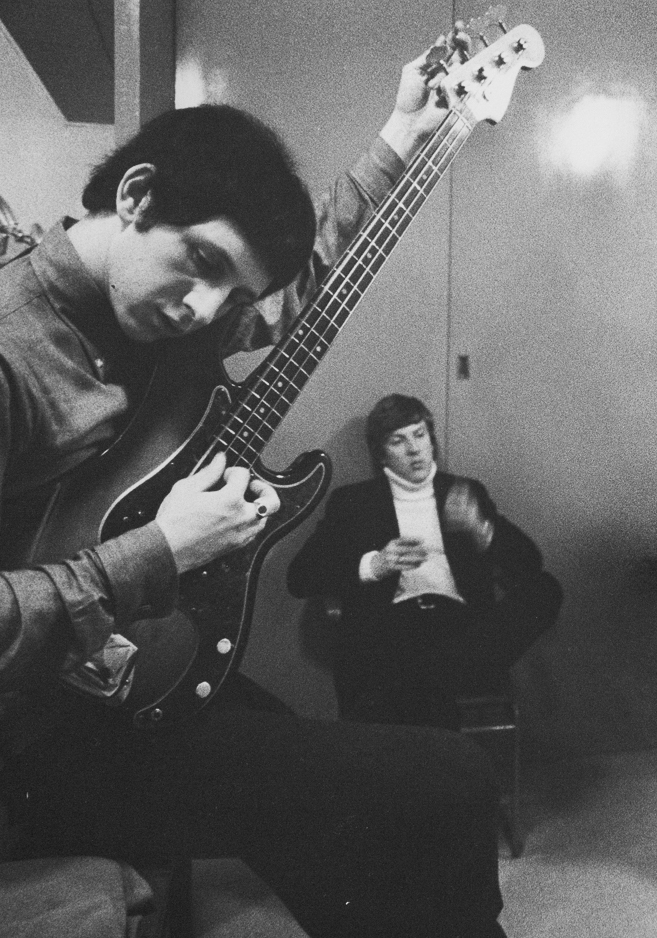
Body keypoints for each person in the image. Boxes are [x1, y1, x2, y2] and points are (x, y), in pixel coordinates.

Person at [0, 40, 511, 938]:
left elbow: (301, 285)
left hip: (142, 679)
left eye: (230, 289)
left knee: (402, 815)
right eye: (200, 262)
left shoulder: (157, 314)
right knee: (428, 794)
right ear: (135, 195)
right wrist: (159, 551)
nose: (205, 310)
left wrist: (402, 134)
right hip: (34, 739)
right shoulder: (13, 354)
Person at [287, 393, 561, 730]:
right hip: (391, 632)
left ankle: (432, 692)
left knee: (547, 589)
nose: (415, 449)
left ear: (431, 439)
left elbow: (529, 564)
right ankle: (437, 715)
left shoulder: (463, 492)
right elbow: (300, 578)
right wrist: (375, 565)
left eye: (420, 435)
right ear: (381, 453)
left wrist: (480, 529)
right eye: (398, 441)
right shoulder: (353, 503)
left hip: (461, 631)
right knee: (417, 673)